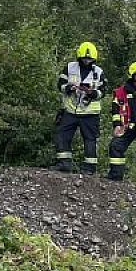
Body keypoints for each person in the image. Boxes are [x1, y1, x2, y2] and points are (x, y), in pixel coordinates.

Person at [54, 41, 106, 174]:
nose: (87, 61)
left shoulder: (98, 72)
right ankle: (64, 164)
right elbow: (60, 84)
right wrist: (69, 88)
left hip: (90, 113)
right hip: (70, 110)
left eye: (89, 59)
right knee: (63, 136)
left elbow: (103, 91)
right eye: (84, 58)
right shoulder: (70, 67)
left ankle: (89, 169)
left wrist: (92, 93)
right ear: (79, 57)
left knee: (90, 140)